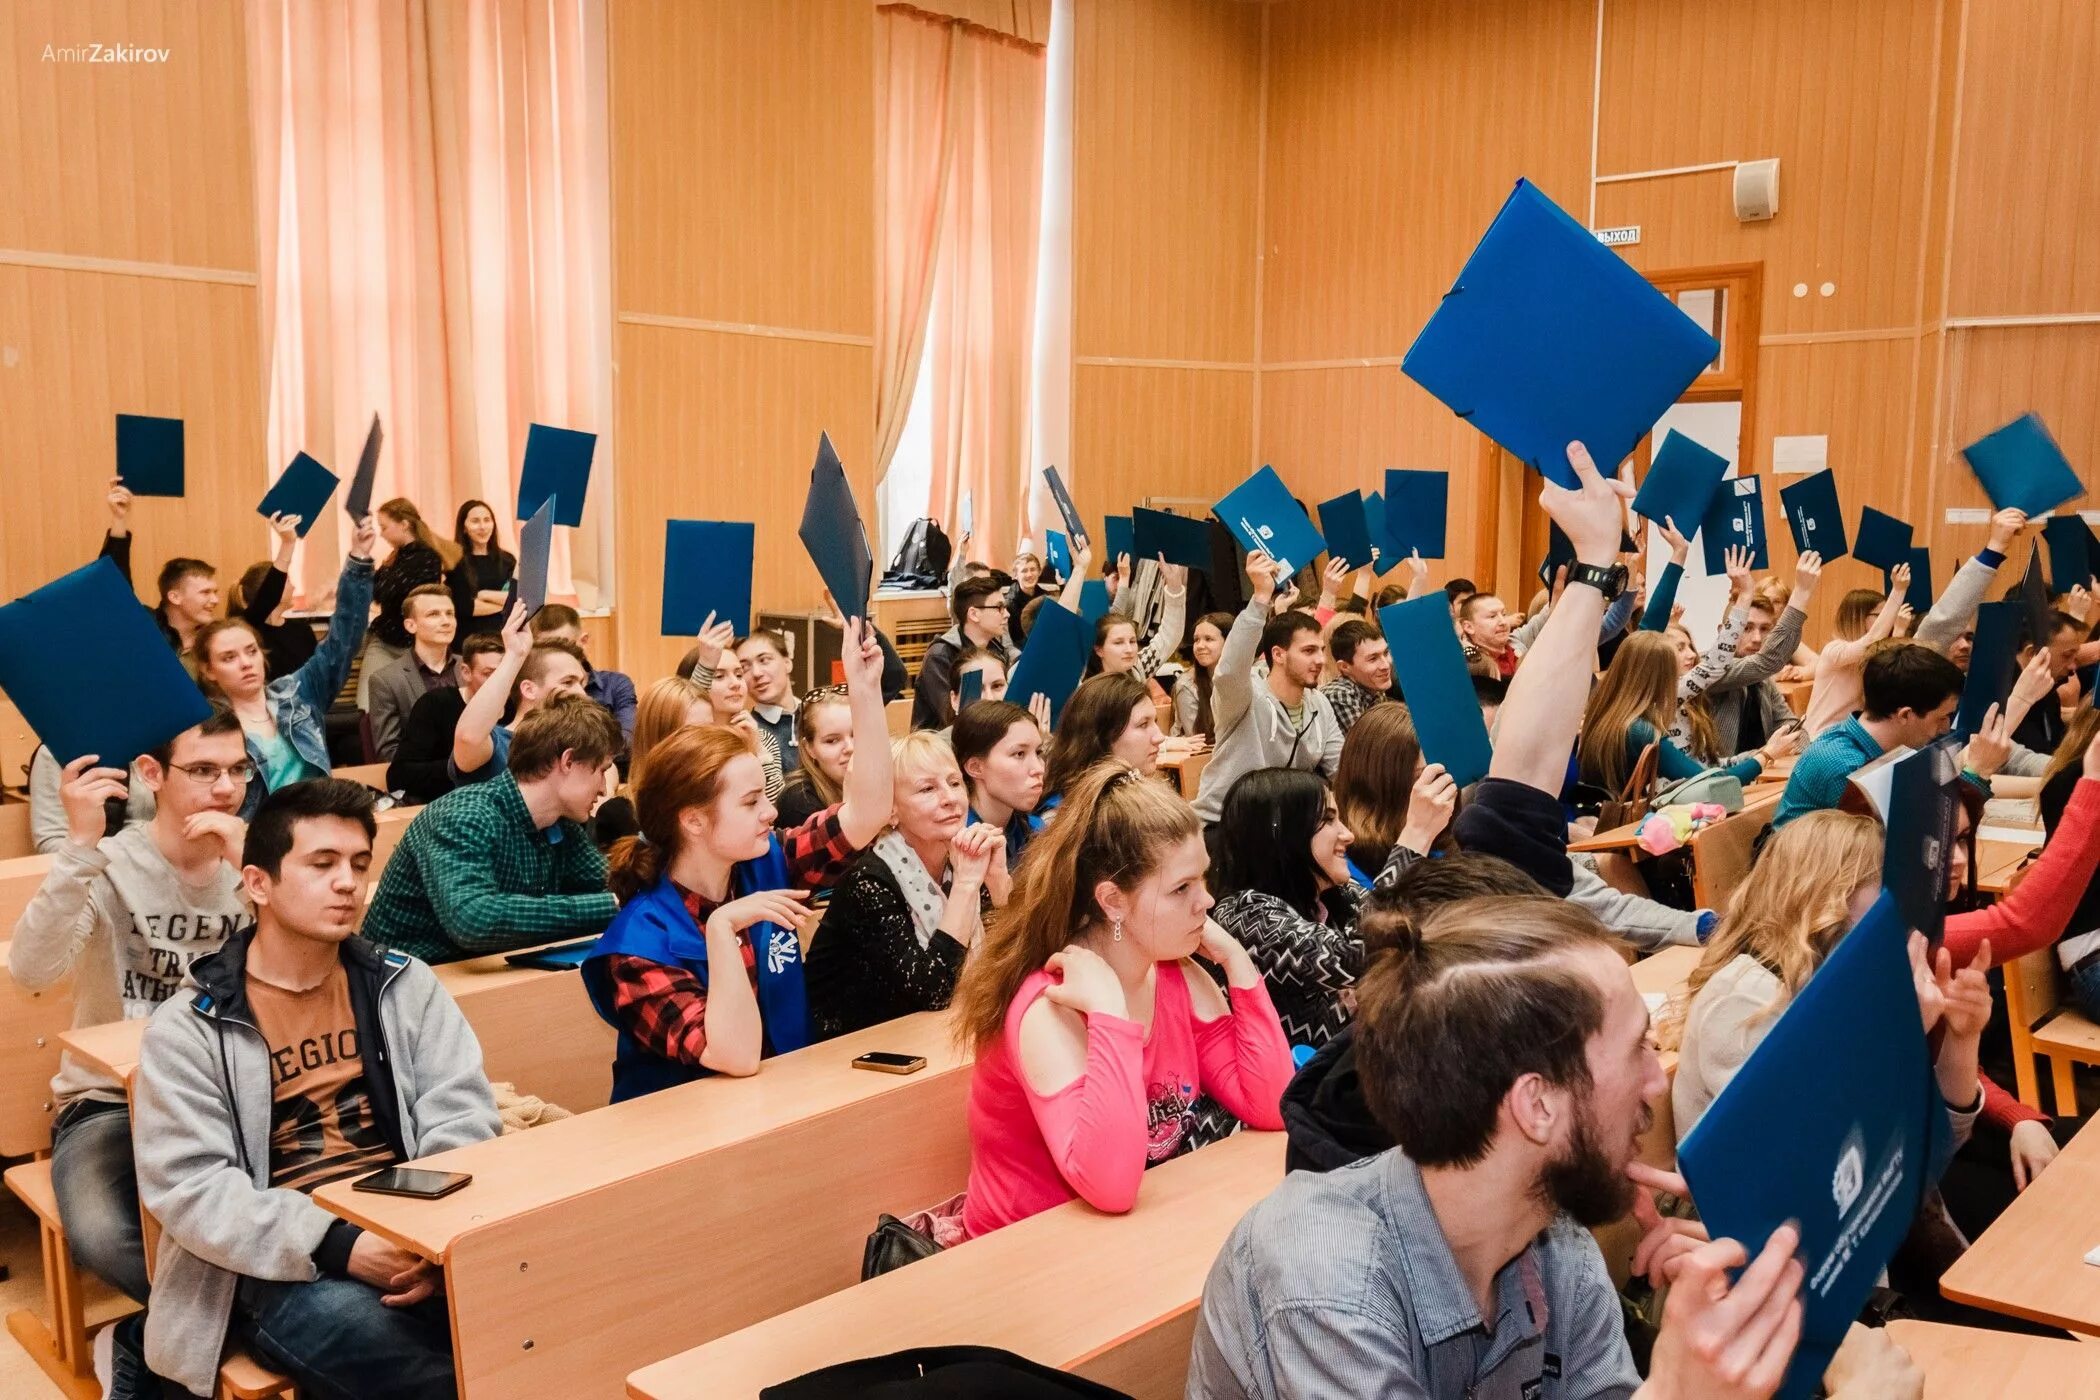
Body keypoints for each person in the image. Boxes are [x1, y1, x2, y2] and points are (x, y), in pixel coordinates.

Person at [1188, 892, 1919, 1400]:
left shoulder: (1550, 1236)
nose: (1654, 1086)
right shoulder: (1322, 1282)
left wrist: (1784, 1322)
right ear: (1536, 1105)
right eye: (1636, 1053)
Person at [129, 780, 499, 1400]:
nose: (349, 882)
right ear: (258, 884)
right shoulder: (189, 1027)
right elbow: (193, 1189)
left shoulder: (405, 986)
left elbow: (463, 1116)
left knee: (541, 1309)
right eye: (322, 864)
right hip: (278, 1262)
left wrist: (427, 1238)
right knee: (410, 1363)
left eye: (358, 864)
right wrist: (342, 1244)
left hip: (415, 1228)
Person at [950, 760, 1293, 1239]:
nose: (1207, 902)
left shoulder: (1176, 972)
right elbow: (1109, 1186)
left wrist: (1236, 961)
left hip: (1122, 1237)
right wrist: (1112, 1014)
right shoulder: (1049, 1008)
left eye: (1203, 880)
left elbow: (1273, 1104)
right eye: (1181, 889)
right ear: (1112, 901)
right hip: (1022, 1254)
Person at [581, 619, 893, 1098]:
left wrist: (866, 691)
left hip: (778, 1099)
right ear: (694, 821)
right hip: (679, 1140)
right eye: (750, 802)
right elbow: (735, 1056)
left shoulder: (765, 858)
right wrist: (723, 927)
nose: (771, 812)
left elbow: (868, 812)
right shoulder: (637, 946)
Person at [8, 710, 251, 1307]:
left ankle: (189, 1333)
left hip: (232, 1091)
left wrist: (257, 872)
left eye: (238, 769)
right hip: (110, 1101)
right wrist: (80, 846)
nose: (225, 788)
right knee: (102, 1234)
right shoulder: (110, 864)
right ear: (151, 773)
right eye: (202, 770)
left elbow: (324, 973)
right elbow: (31, 973)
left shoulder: (255, 863)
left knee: (301, 1204)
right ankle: (240, 1325)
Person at [362, 694, 624, 963]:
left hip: (467, 977)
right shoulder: (464, 815)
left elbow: (617, 885)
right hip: (398, 983)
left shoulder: (561, 825)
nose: (604, 788)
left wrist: (630, 892)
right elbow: (475, 920)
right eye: (601, 771)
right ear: (568, 762)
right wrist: (611, 905)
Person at [806, 732, 1008, 1039]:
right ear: (890, 810)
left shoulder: (958, 861)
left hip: (932, 1040)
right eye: (927, 788)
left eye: (954, 783)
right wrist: (968, 885)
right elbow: (933, 992)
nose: (950, 798)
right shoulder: (869, 882)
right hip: (852, 1056)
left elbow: (1013, 966)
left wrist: (998, 884)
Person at [190, 518, 377, 818]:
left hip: (318, 826)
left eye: (251, 652)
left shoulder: (296, 693)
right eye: (229, 658)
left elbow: (343, 641)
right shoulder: (206, 728)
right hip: (259, 843)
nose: (245, 663)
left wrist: (359, 559)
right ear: (209, 670)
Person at [1209, 768, 1365, 1050]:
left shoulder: (1335, 893)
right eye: (1329, 820)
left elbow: (1405, 930)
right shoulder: (1244, 915)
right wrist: (1413, 840)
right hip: (1293, 1088)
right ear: (1288, 837)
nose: (1348, 834)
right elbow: (1354, 958)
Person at [1775, 644, 2003, 827]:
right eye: (1942, 717)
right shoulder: (1845, 767)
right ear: (1905, 715)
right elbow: (1918, 844)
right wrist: (1977, 772)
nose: (1945, 728)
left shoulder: (1889, 749)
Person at [1192, 555, 1344, 828]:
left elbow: (1342, 772)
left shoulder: (1320, 704)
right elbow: (1229, 671)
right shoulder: (1245, 695)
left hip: (1282, 828)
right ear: (1279, 654)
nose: (1320, 660)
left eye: (1321, 650)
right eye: (1308, 651)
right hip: (1225, 825)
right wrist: (1261, 597)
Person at [1574, 632, 1787, 796]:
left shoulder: (1605, 712)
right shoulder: (1642, 731)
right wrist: (1765, 756)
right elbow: (1714, 785)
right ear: (1660, 680)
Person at [450, 612, 591, 785]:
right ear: (529, 689)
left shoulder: (580, 746)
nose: (581, 694)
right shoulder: (498, 743)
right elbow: (468, 738)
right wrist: (515, 655)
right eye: (568, 682)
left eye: (582, 684)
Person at [1332, 705, 1456, 876]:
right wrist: (1418, 834)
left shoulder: (1445, 844)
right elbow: (1381, 902)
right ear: (1380, 783)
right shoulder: (1340, 857)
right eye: (1422, 777)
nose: (1439, 790)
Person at [385, 633, 506, 804]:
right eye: (488, 674)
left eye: (503, 674)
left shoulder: (514, 705)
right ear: (466, 672)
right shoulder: (435, 704)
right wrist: (464, 764)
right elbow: (400, 776)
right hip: (448, 805)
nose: (497, 682)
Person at [361, 498, 454, 709]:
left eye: (384, 527)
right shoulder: (395, 557)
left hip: (412, 647)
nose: (382, 533)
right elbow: (376, 594)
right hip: (384, 640)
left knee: (413, 707)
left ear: (404, 524)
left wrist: (381, 575)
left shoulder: (427, 557)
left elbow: (391, 593)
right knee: (367, 704)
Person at [1798, 569, 1909, 738]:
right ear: (1858, 617)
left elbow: (1894, 666)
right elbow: (1870, 640)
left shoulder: (1871, 655)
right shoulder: (1834, 650)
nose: (1888, 621)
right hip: (1818, 740)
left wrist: (1899, 630)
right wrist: (1898, 590)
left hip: (1847, 737)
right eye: (1880, 616)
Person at [1040, 672, 1172, 804]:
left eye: (1155, 721)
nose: (1159, 737)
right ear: (1103, 736)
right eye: (1143, 725)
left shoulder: (1144, 796)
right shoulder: (1063, 816)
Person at [914, 573, 1023, 731]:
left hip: (988, 735)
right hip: (941, 746)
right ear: (973, 614)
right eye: (999, 607)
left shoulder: (997, 651)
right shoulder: (941, 655)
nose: (1007, 614)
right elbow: (951, 716)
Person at [364, 585, 459, 762]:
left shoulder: (468, 667)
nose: (446, 621)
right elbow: (389, 753)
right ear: (410, 625)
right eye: (434, 614)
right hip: (422, 782)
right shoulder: (387, 680)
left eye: (450, 613)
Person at [531, 603, 639, 746]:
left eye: (564, 645)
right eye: (546, 648)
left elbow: (627, 741)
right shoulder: (531, 691)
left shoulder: (615, 685)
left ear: (583, 641)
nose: (557, 654)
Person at [955, 698, 1047, 864]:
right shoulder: (953, 842)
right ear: (975, 767)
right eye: (1019, 754)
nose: (1039, 769)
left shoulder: (1036, 829)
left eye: (1039, 752)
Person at [225, 512, 315, 679]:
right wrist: (288, 543)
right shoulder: (247, 628)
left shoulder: (302, 630)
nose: (294, 587)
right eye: (287, 581)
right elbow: (269, 595)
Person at [27, 744, 156, 854]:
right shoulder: (59, 749)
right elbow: (50, 844)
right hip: (102, 872)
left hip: (168, 867)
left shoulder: (169, 739)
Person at [1083, 560, 1188, 682]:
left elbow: (1170, 635)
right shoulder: (1087, 688)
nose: (1129, 649)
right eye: (1118, 642)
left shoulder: (1138, 668)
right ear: (1099, 650)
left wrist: (1174, 587)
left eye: (1132, 641)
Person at [775, 687, 854, 829]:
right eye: (832, 741)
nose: (850, 747)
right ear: (809, 748)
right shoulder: (799, 800)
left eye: (857, 734)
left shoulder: (884, 780)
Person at [737, 629, 801, 772]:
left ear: (787, 663)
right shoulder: (748, 732)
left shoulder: (817, 712)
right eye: (744, 668)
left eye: (764, 660)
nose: (756, 673)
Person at [446, 497, 515, 629]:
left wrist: (484, 595)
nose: (482, 527)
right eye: (475, 521)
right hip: (468, 639)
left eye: (487, 520)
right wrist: (504, 602)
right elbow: (467, 608)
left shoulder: (508, 560)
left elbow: (519, 601)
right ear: (464, 528)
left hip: (503, 636)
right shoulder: (455, 561)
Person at [1320, 618, 1393, 734]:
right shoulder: (1339, 694)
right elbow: (1374, 746)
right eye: (1373, 659)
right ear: (1344, 667)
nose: (1386, 665)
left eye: (1386, 653)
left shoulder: (1373, 687)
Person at [1171, 611, 1233, 739]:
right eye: (1196, 640)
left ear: (1229, 642)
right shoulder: (1186, 685)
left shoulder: (1249, 677)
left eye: (1208, 639)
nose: (1199, 646)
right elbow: (1197, 739)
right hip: (1198, 753)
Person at [1456, 592, 1518, 677]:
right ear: (1469, 627)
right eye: (1492, 616)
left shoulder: (1519, 652)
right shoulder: (1468, 666)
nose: (1503, 622)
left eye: (1504, 614)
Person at [1007, 550, 1047, 649]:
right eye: (1024, 571)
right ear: (1015, 575)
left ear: (1039, 572)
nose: (1029, 575)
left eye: (1033, 569)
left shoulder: (1045, 596)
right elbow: (1016, 639)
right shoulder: (1009, 604)